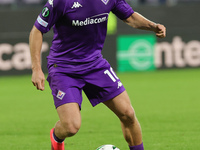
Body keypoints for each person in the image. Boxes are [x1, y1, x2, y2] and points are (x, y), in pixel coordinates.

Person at [29, 0, 166, 149]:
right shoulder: (61, 2)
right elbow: (37, 30)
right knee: (71, 127)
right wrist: (36, 68)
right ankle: (57, 136)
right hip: (63, 68)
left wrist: (153, 26)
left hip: (95, 65)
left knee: (128, 114)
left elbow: (130, 17)